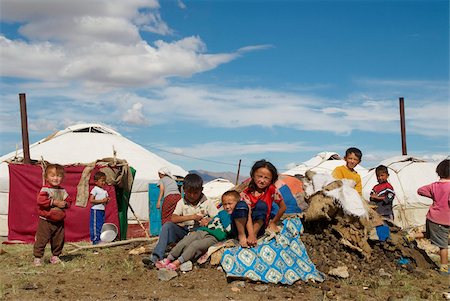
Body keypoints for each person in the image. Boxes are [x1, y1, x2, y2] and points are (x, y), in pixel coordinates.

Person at [143, 173, 219, 266]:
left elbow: (218, 218)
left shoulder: (207, 202)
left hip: (200, 233)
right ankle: (156, 257)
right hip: (185, 231)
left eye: (195, 193)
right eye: (189, 192)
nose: (192, 195)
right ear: (184, 190)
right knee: (167, 226)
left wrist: (208, 220)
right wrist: (192, 217)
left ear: (201, 190)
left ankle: (176, 259)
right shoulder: (181, 202)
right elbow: (174, 218)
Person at [156, 190, 240, 271]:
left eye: (230, 204)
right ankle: (168, 258)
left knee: (196, 245)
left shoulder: (234, 217)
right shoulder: (222, 212)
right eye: (225, 204)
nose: (227, 206)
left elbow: (229, 229)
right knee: (186, 240)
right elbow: (215, 219)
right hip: (202, 230)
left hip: (214, 237)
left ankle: (177, 262)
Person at [233, 159, 287, 248]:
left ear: (271, 180)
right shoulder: (246, 193)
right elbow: (248, 215)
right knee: (241, 205)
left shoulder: (272, 190)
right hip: (243, 227)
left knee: (262, 205)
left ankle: (253, 236)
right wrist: (249, 234)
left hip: (259, 228)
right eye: (260, 176)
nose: (262, 180)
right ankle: (242, 236)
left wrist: (273, 222)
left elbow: (283, 207)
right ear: (253, 176)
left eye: (266, 178)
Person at [410, 159, 450, 275]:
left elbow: (420, 190)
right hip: (443, 219)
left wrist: (433, 195)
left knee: (429, 233)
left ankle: (411, 236)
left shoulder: (434, 186)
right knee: (443, 246)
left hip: (432, 218)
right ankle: (444, 268)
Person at [33, 164, 72, 266]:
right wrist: (55, 202)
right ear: (46, 177)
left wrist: (65, 204)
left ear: (62, 178)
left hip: (59, 221)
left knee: (59, 240)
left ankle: (55, 256)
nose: (56, 178)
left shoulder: (63, 191)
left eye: (58, 176)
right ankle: (38, 257)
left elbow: (69, 201)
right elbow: (41, 201)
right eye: (53, 175)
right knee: (42, 239)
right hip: (46, 220)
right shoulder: (45, 189)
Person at [89, 171, 110, 245]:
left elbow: (105, 201)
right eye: (102, 181)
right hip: (96, 210)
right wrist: (102, 201)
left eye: (104, 181)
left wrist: (107, 200)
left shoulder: (105, 191)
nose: (103, 182)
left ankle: (100, 239)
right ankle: (95, 241)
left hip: (102, 210)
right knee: (95, 226)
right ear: (96, 182)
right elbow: (91, 200)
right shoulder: (95, 189)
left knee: (101, 225)